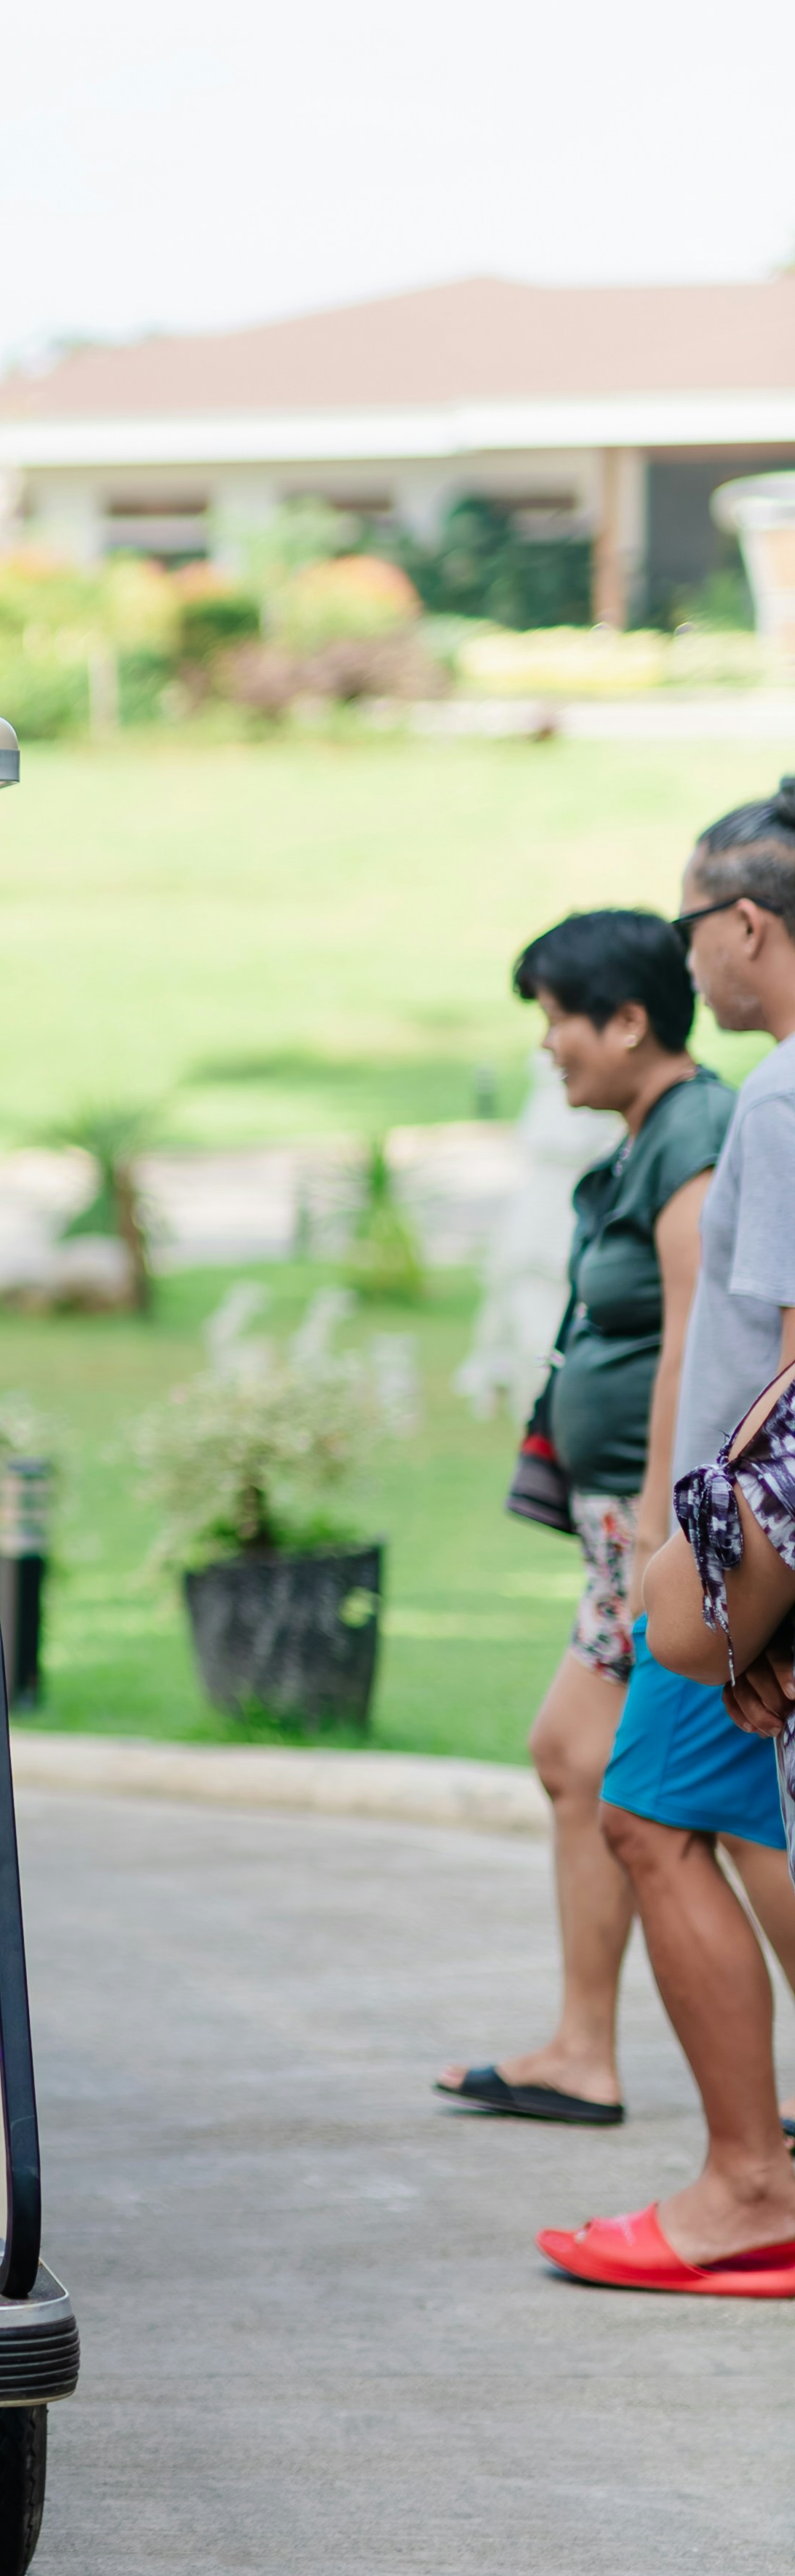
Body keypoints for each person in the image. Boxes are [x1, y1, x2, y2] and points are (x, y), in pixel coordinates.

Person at [535, 786, 795, 2283]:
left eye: (694, 925)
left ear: (747, 923)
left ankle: (745, 2190)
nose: (688, 957)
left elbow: (783, 1375)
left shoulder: (772, 1099)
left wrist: (716, 1582)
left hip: (746, 1536)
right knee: (734, 1821)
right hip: (750, 1541)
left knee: (641, 1813)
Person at [435, 910, 726, 2124]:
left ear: (630, 1020)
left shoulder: (697, 1135)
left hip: (663, 1526)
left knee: (708, 1806)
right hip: (623, 1520)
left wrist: (663, 1521)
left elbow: (698, 1338)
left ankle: (598, 2054)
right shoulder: (650, 1135)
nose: (550, 1044)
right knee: (574, 1756)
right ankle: (582, 2049)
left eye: (563, 1017)